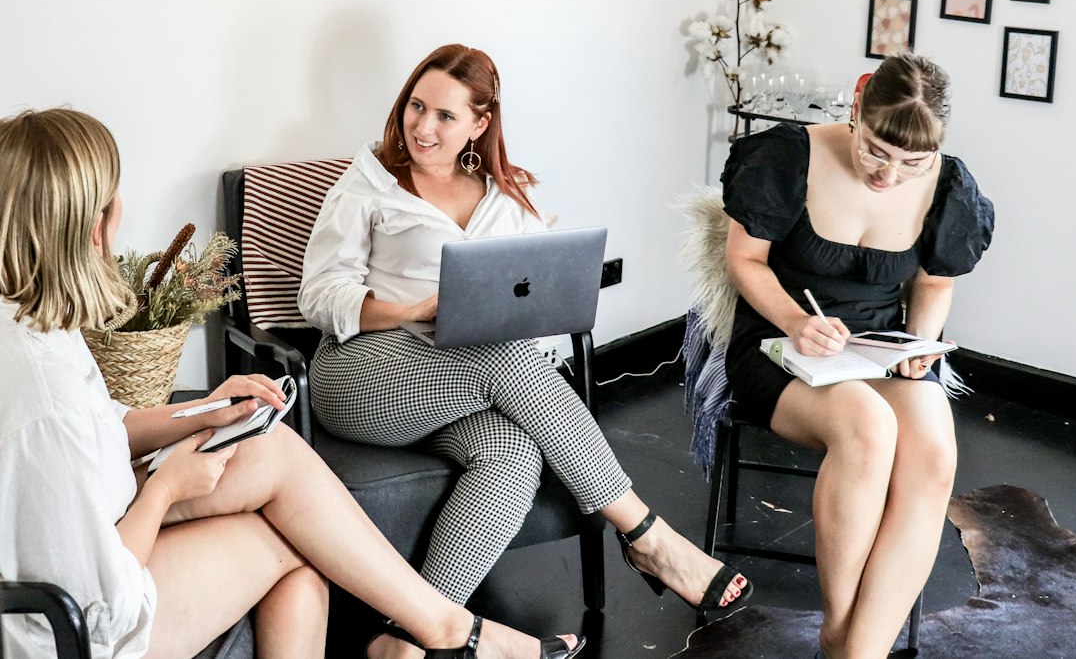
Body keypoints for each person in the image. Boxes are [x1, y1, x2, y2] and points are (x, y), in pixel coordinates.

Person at [0, 107, 586, 659]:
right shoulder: (44, 401)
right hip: (78, 627)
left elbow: (105, 426)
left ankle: (438, 627)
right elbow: (99, 608)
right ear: (93, 227)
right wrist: (165, 490)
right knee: (296, 546)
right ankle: (449, 628)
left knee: (270, 452)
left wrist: (204, 410)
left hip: (101, 530)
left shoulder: (32, 321)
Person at [299, 44, 753, 659]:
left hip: (459, 384)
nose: (423, 128)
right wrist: (413, 308)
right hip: (363, 374)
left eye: (445, 116)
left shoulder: (507, 197)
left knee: (512, 453)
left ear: (480, 124)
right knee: (507, 360)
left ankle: (408, 638)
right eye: (416, 106)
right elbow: (319, 296)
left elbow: (534, 295)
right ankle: (649, 537)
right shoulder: (370, 185)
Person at [719, 52, 994, 659]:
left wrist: (919, 346)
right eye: (875, 151)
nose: (888, 176)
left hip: (877, 351)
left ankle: (859, 651)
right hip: (778, 344)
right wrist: (796, 321)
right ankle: (841, 632)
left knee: (933, 453)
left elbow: (934, 283)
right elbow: (744, 261)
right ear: (857, 107)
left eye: (911, 163)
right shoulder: (788, 156)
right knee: (868, 429)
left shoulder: (949, 185)